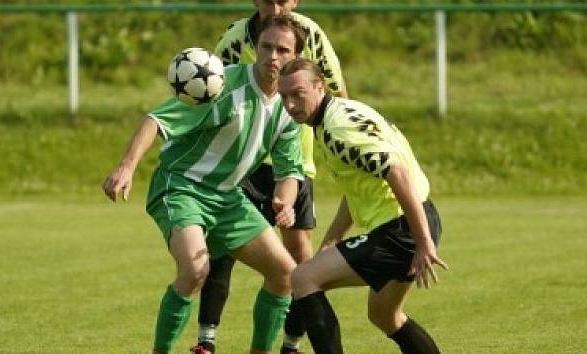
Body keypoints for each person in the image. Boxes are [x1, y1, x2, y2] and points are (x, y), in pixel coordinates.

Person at [102, 17, 308, 354]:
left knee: (286, 275)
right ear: (256, 48)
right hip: (182, 187)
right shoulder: (220, 85)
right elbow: (156, 120)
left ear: (296, 56)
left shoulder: (289, 107)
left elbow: (289, 171)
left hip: (228, 198)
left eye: (282, 50)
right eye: (267, 46)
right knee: (196, 270)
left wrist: (284, 202)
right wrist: (127, 167)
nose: (272, 56)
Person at [195, 2, 347, 353]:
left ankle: (291, 343)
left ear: (294, 2)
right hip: (241, 161)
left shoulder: (310, 35)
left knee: (300, 261)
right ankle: (206, 340)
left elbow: (336, 94)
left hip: (295, 161)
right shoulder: (236, 37)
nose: (274, 7)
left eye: (282, 0)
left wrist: (337, 150)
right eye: (267, 0)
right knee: (222, 249)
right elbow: (211, 89)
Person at [277, 58, 449, 354]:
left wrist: (422, 243)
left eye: (297, 94)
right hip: (420, 217)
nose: (290, 104)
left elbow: (397, 172)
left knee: (304, 278)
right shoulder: (345, 111)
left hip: (401, 229)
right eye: (284, 96)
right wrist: (333, 238)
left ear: (319, 87)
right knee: (385, 316)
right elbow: (358, 185)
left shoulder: (337, 131)